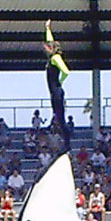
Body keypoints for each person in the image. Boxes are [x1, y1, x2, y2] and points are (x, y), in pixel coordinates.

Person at [44, 19, 70, 150]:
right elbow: (50, 40)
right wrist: (48, 28)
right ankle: (64, 143)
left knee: (61, 118)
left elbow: (66, 71)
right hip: (54, 91)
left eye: (48, 47)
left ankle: (67, 144)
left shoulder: (56, 58)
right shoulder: (52, 57)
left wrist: (60, 82)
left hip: (57, 91)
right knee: (57, 117)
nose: (46, 48)